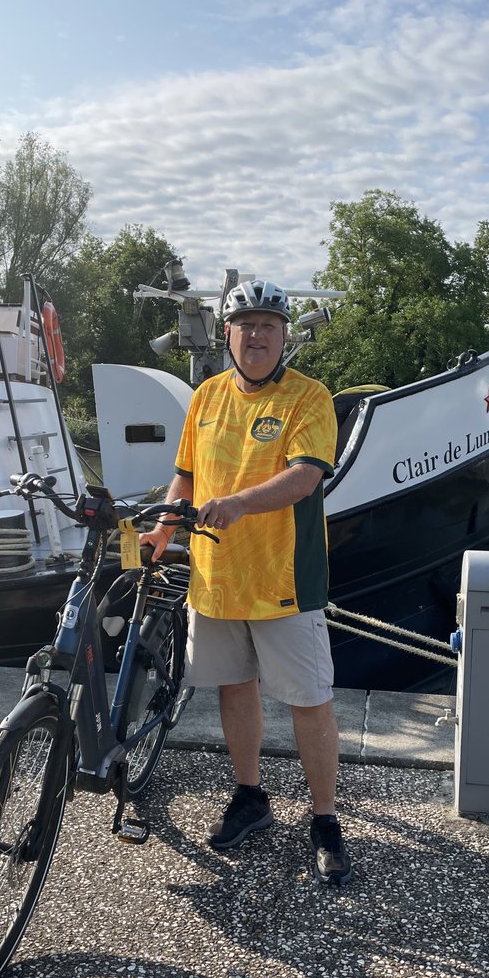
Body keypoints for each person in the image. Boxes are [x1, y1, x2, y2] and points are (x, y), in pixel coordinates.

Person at [140, 279, 352, 885]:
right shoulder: (206, 396)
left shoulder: (308, 396)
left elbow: (305, 477)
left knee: (309, 699)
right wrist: (161, 529)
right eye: (246, 325)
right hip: (216, 577)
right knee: (234, 688)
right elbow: (185, 476)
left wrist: (236, 503)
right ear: (227, 334)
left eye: (269, 326)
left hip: (285, 577)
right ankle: (250, 796)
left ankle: (325, 819)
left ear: (284, 337)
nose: (257, 335)